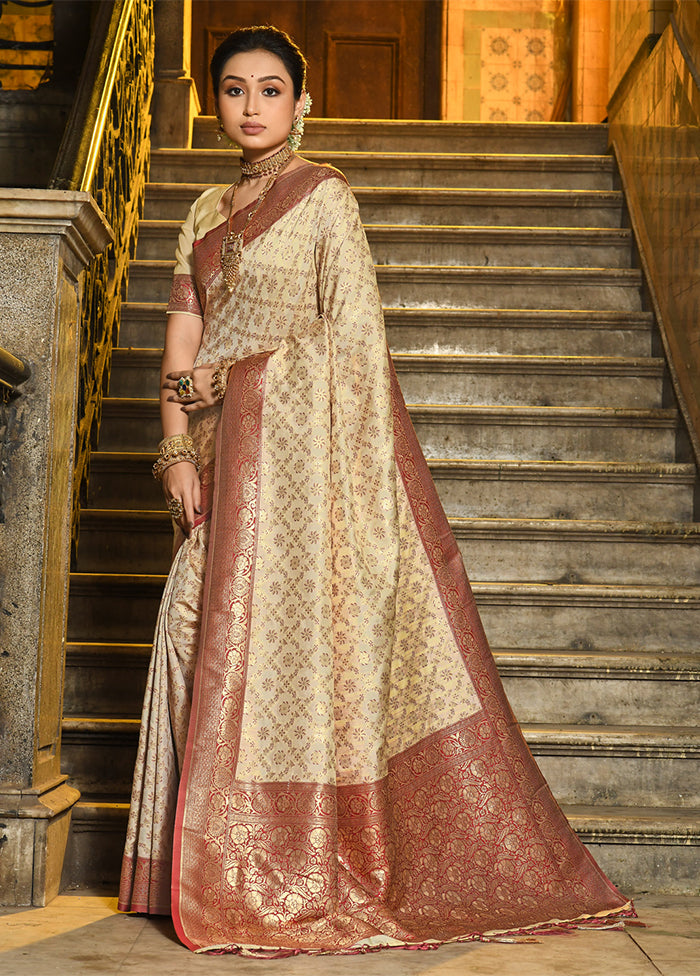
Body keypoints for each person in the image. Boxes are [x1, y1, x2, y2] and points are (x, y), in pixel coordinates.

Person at [118, 25, 634, 956]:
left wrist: (233, 382)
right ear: (214, 101)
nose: (250, 107)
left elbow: (352, 345)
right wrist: (176, 453)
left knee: (283, 656)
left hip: (303, 475)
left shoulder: (325, 202)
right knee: (190, 627)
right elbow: (178, 350)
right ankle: (198, 860)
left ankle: (292, 867)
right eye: (233, 89)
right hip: (226, 460)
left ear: (302, 103)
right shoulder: (198, 214)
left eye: (270, 90)